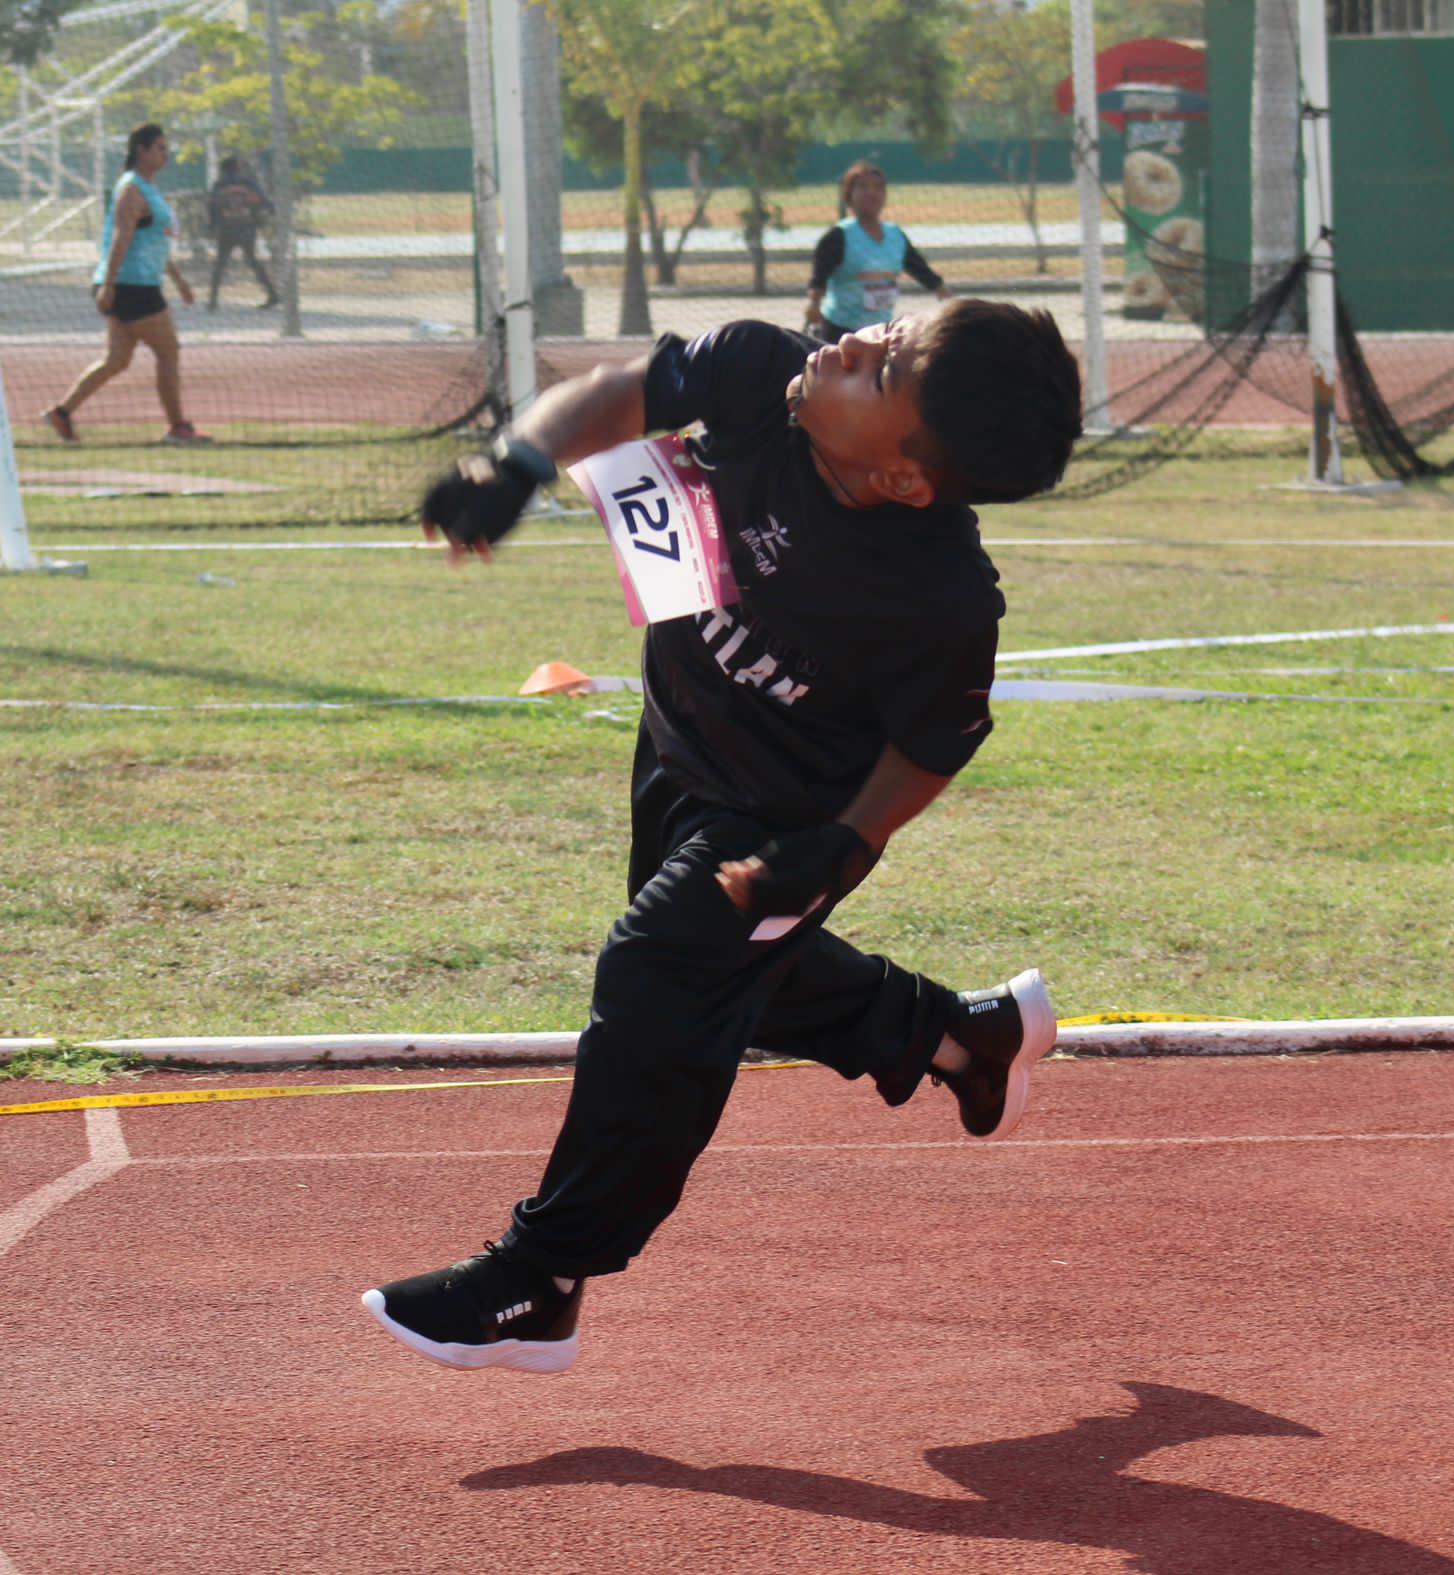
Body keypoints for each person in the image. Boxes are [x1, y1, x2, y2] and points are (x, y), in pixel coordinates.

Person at [362, 299, 1082, 1375]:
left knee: (660, 975)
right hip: (678, 746)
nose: (852, 344)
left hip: (781, 818)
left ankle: (542, 1276)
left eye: (881, 374)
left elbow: (935, 744)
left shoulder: (940, 598)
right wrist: (515, 461)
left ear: (902, 478)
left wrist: (842, 844)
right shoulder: (763, 370)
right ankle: (961, 1038)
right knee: (742, 977)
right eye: (888, 329)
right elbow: (619, 391)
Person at [41, 123, 210, 445]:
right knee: (168, 350)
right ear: (140, 151)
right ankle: (178, 427)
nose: (166, 153)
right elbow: (122, 237)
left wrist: (180, 281)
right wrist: (109, 284)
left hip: (139, 282)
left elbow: (155, 242)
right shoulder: (131, 188)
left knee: (117, 360)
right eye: (159, 147)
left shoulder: (149, 188)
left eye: (165, 147)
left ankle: (61, 413)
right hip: (131, 284)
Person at [804, 161, 950, 344]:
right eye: (863, 187)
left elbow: (917, 266)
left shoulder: (895, 235)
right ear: (849, 194)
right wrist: (814, 304)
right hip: (842, 330)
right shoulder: (839, 236)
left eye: (878, 188)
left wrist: (941, 291)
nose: (871, 193)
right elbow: (819, 277)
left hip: (881, 331)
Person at [205, 154, 278, 312]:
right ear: (237, 168)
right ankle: (272, 293)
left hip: (227, 228)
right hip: (247, 227)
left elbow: (213, 206)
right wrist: (264, 216)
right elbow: (264, 201)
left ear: (222, 170)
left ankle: (212, 300)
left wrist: (211, 226)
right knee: (253, 261)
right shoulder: (248, 183)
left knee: (220, 263)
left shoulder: (220, 185)